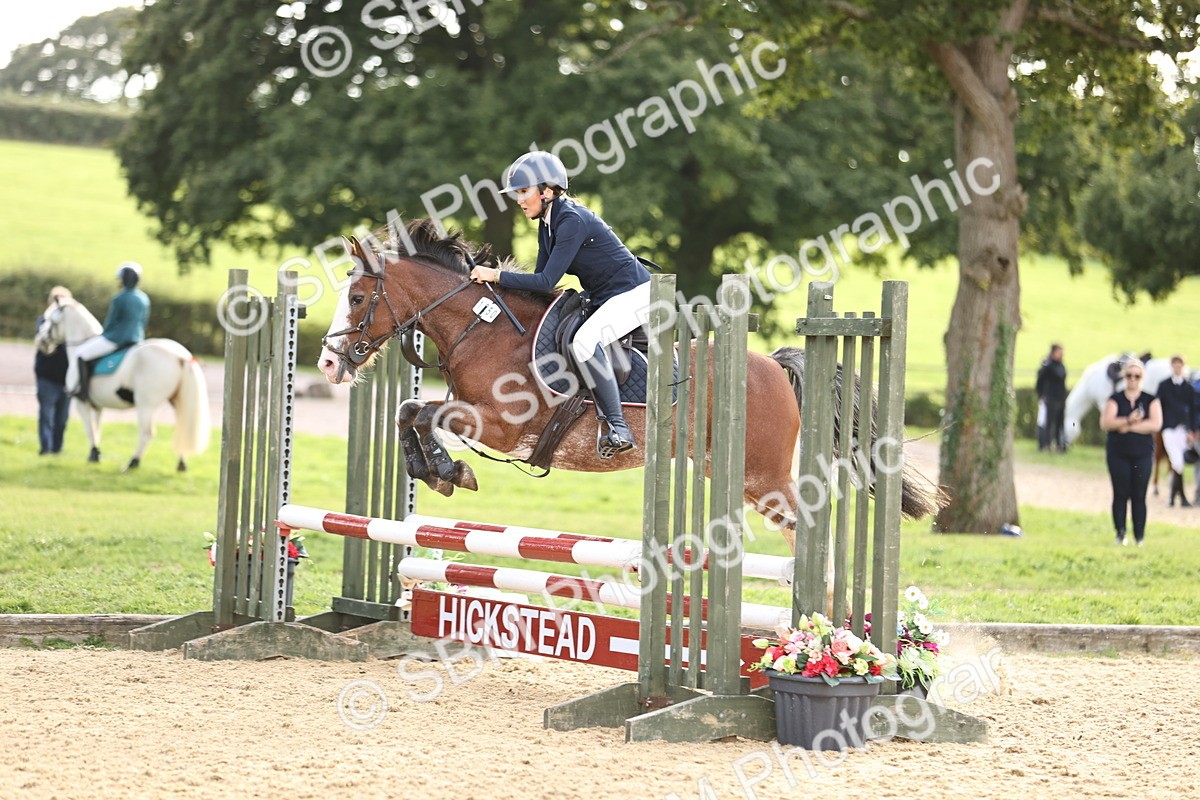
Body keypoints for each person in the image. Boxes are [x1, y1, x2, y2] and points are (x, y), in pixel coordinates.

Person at [470, 152, 651, 459]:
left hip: (634, 295)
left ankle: (618, 428)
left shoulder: (571, 220)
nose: (519, 200)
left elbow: (544, 281)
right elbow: (541, 281)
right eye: (517, 193)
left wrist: (496, 275)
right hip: (607, 297)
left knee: (583, 342)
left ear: (548, 191)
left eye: (523, 192)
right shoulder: (547, 224)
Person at [66, 262, 150, 404]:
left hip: (116, 338)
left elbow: (111, 323)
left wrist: (102, 335)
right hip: (137, 339)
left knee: (80, 353)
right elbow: (143, 322)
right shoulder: (144, 299)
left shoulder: (120, 298)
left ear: (123, 280)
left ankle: (83, 392)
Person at [1099, 359, 1162, 546]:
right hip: (1118, 453)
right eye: (1129, 375)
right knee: (1120, 493)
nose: (1133, 379)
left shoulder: (1150, 399)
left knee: (1139, 495)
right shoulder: (1115, 399)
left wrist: (1128, 427)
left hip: (1142, 454)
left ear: (1142, 378)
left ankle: (1139, 537)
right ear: (1124, 377)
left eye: (1137, 376)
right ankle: (1120, 533)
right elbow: (1106, 423)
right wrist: (1127, 420)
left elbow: (1156, 424)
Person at [34, 286, 73, 454]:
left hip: (66, 379)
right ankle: (45, 449)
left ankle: (57, 450)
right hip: (47, 378)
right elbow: (46, 344)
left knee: (62, 419)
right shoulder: (44, 323)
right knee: (46, 416)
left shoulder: (72, 326)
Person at [1154, 355, 1197, 507]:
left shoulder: (1188, 387)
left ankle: (1173, 497)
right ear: (1172, 366)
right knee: (1177, 461)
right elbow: (1157, 405)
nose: (1177, 368)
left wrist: (1192, 430)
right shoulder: (1164, 385)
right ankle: (1182, 497)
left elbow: (1192, 410)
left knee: (1178, 463)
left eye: (1180, 365)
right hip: (1169, 428)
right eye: (1175, 365)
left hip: (1183, 430)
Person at [1036, 344, 1068, 452]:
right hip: (1050, 398)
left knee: (1060, 423)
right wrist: (1041, 395)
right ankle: (1046, 445)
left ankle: (1059, 445)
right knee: (1048, 423)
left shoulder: (1061, 366)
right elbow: (1040, 381)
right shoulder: (1048, 366)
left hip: (1060, 398)